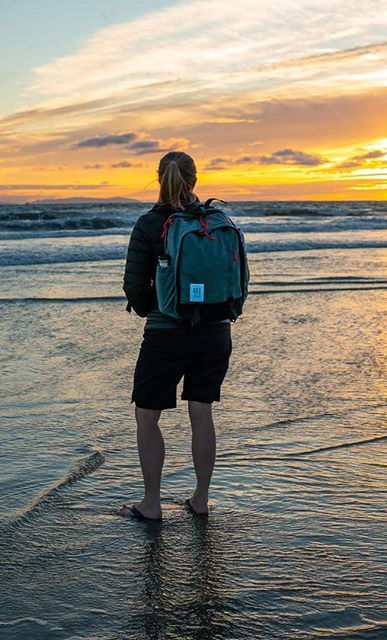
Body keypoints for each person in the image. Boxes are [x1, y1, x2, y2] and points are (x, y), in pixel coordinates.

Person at [119, 151, 234, 521]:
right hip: (215, 331)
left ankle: (151, 503)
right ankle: (200, 499)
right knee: (201, 413)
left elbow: (134, 285)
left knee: (148, 417)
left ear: (159, 179)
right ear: (195, 180)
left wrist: (149, 308)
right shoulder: (215, 221)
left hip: (167, 332)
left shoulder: (150, 224)